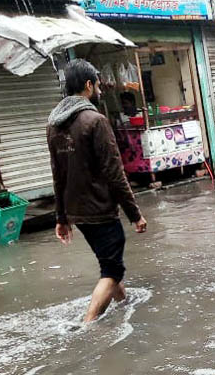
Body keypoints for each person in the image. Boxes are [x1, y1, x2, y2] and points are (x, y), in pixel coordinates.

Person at [47, 59, 148, 322]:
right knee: (113, 270)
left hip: (77, 213)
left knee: (108, 264)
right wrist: (135, 214)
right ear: (88, 85)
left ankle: (125, 304)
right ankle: (88, 326)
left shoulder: (54, 124)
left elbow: (57, 175)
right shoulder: (96, 121)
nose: (101, 88)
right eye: (98, 83)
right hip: (100, 210)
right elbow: (115, 173)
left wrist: (61, 218)